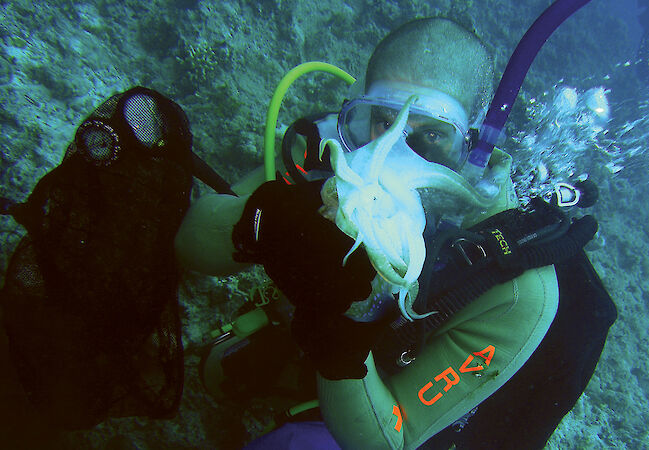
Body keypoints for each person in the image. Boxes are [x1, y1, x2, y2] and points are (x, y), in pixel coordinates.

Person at [175, 17, 616, 449]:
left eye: (433, 135)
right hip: (310, 351)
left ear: (473, 145)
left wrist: (337, 333)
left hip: (403, 409)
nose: (393, 153)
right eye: (383, 120)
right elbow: (189, 243)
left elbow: (392, 440)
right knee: (219, 369)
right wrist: (261, 223)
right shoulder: (336, 149)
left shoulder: (520, 293)